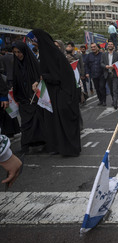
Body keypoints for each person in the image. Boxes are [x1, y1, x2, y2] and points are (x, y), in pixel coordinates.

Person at [31, 29, 81, 157]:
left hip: (64, 95)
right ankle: (60, 147)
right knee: (58, 123)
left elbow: (56, 77)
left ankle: (70, 149)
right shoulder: (47, 55)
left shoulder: (54, 55)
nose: (33, 45)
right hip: (56, 95)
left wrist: (44, 77)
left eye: (34, 42)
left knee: (65, 123)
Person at [12, 41, 45, 154]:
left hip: (35, 98)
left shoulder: (33, 63)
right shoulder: (16, 64)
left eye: (19, 52)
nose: (18, 55)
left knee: (38, 122)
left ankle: (43, 143)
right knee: (25, 124)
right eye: (15, 52)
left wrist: (36, 82)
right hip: (23, 99)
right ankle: (25, 146)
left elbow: (40, 77)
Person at [100, 40, 118, 108]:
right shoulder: (104, 54)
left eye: (111, 44)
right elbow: (101, 63)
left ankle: (115, 103)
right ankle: (113, 99)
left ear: (113, 46)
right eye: (109, 44)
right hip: (107, 74)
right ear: (107, 46)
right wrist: (106, 66)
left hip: (115, 74)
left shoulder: (117, 54)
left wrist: (114, 67)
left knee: (115, 89)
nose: (110, 45)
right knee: (111, 89)